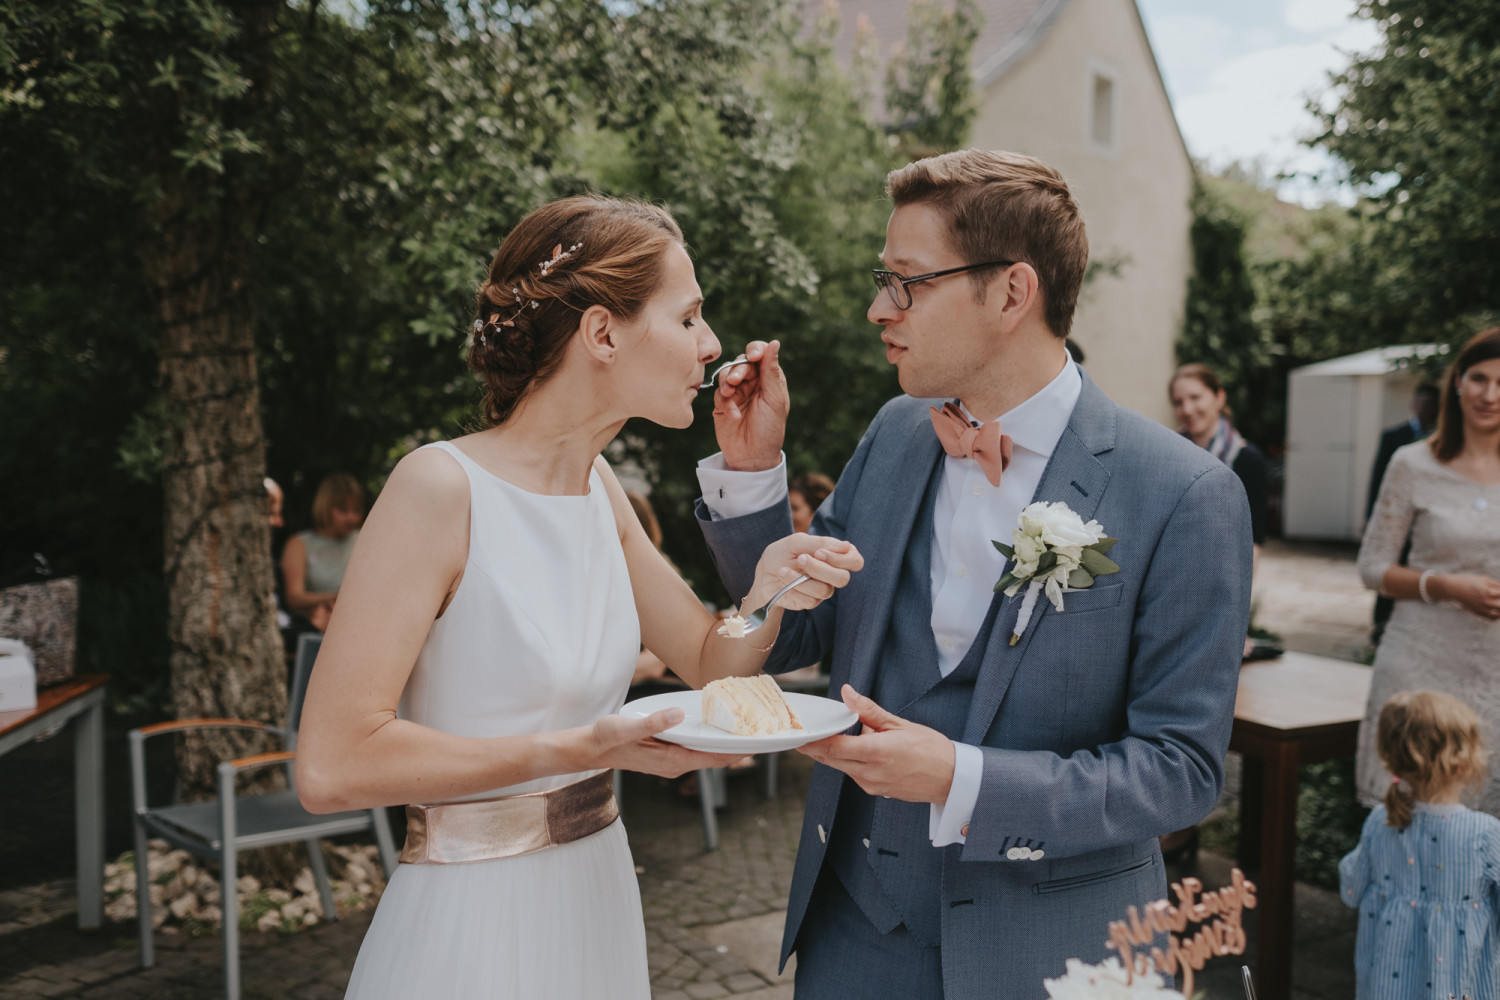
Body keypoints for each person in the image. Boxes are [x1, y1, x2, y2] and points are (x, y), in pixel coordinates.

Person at [694, 150, 1252, 998]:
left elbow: (1181, 768)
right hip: (856, 932)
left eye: (907, 283)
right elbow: (795, 634)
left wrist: (964, 780)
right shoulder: (895, 431)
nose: (880, 308)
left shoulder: (1185, 493)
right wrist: (753, 472)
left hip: (1053, 951)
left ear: (1011, 293)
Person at [293, 195, 863, 999]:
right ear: (602, 333)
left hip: (595, 894)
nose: (709, 346)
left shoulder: (599, 488)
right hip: (475, 922)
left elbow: (706, 658)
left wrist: (766, 592)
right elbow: (331, 764)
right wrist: (581, 751)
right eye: (691, 317)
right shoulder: (438, 486)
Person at [1356, 327, 1500, 815]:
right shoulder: (1412, 463)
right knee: (1408, 820)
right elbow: (1373, 568)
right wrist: (1445, 586)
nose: (1490, 394)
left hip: (1494, 672)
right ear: (1457, 383)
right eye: (1479, 378)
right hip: (1421, 663)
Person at [1338, 690, 1500, 999]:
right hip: (1461, 987)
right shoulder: (1485, 834)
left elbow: (1351, 890)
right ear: (1462, 763)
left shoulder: (1380, 820)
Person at [1169, 363, 1277, 663]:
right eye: (1179, 402)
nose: (1187, 409)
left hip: (1220, 585)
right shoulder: (1168, 455)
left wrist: (1236, 613)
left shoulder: (1247, 460)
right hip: (1171, 583)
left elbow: (1252, 545)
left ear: (1219, 397)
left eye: (1196, 397)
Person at [1366, 383, 1441, 645]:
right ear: (1413, 405)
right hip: (1396, 521)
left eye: (1431, 406)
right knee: (1390, 571)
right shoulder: (1394, 437)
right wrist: (1370, 519)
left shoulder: (1442, 440)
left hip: (1427, 525)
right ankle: (1380, 625)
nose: (1426, 409)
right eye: (1422, 404)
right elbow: (1378, 480)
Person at [280, 472, 365, 631]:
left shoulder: (365, 539)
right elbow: (294, 598)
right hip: (315, 628)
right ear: (325, 507)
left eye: (356, 510)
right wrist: (339, 598)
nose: (351, 518)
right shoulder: (299, 544)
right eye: (343, 510)